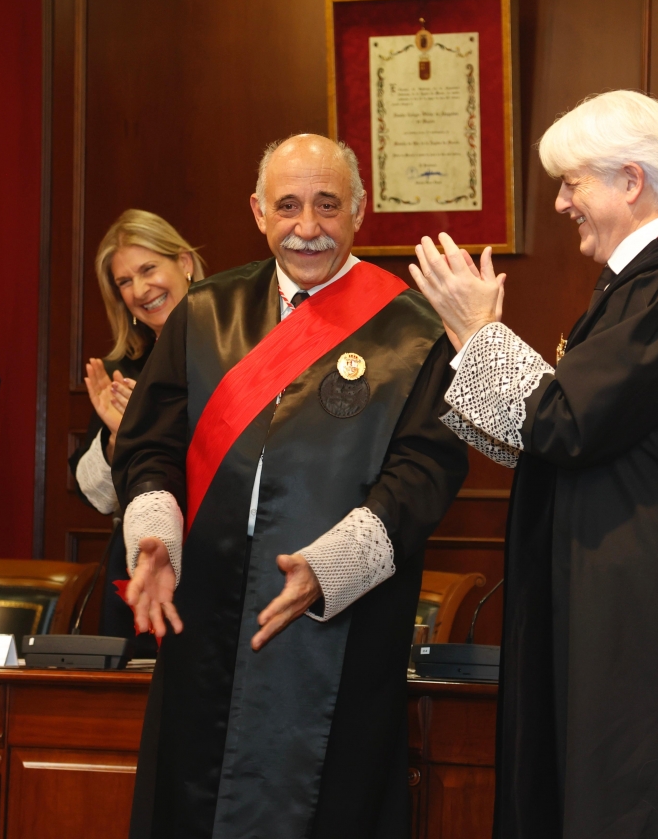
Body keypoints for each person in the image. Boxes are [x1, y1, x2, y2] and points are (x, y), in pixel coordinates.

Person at [410, 91, 658, 838]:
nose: (561, 202)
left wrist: (478, 330)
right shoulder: (642, 286)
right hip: (611, 590)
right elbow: (555, 430)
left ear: (631, 180)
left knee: (625, 798)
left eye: (573, 182)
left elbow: (561, 420)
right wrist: (474, 340)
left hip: (633, 610)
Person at [113, 134, 468, 838]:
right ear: (257, 211)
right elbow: (150, 444)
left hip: (338, 619)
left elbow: (426, 470)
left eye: (327, 205)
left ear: (359, 212)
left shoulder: (416, 330)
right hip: (206, 615)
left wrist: (331, 567)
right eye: (289, 205)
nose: (308, 227)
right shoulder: (207, 311)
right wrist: (154, 535)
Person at [69, 209, 205, 653]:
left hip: (212, 559)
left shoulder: (236, 350)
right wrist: (117, 440)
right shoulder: (120, 373)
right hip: (138, 561)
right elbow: (96, 496)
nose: (140, 290)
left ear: (184, 263)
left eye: (149, 269)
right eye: (124, 281)